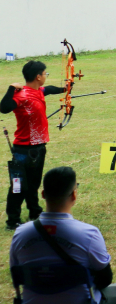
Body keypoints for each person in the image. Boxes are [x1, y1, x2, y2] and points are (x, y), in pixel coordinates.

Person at [9, 166, 116, 304]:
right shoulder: (88, 234)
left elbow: (16, 273)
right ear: (74, 195)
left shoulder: (20, 234)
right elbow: (105, 279)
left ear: (43, 194)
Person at [1, 61, 64, 231]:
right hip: (23, 149)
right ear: (38, 76)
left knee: (34, 184)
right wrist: (10, 89)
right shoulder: (22, 95)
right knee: (18, 186)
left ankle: (35, 212)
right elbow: (4, 107)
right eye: (45, 74)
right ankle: (12, 220)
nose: (45, 76)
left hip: (38, 147)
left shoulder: (38, 91)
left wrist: (65, 88)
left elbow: (49, 89)